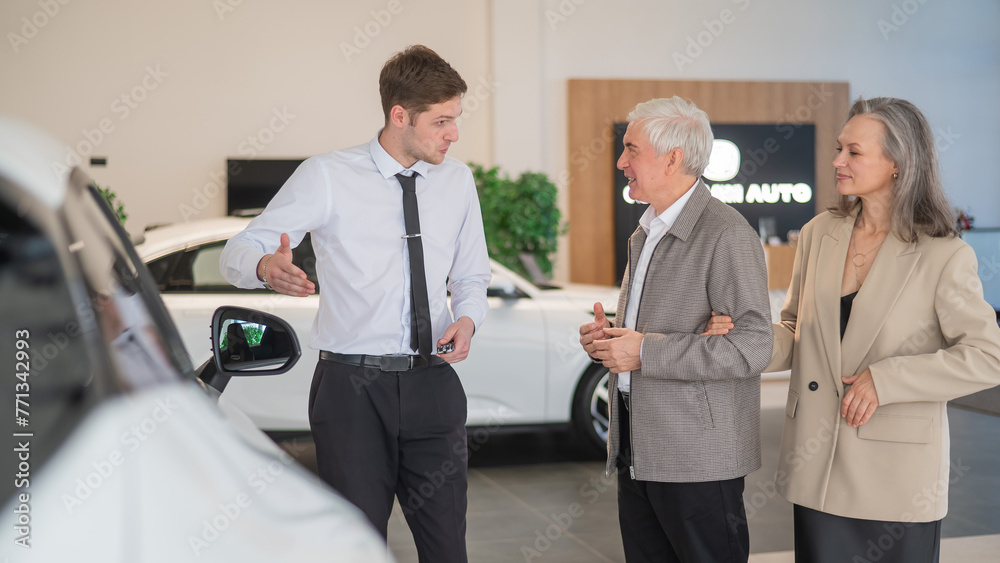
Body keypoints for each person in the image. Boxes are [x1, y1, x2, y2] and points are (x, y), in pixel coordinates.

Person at [219, 45, 490, 563]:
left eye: (456, 119)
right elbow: (241, 248)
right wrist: (263, 268)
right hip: (351, 392)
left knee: (447, 548)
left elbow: (473, 273)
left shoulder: (458, 181)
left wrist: (469, 317)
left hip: (432, 383)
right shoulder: (326, 175)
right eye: (442, 121)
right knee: (356, 548)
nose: (453, 134)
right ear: (399, 115)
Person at [705, 97, 1000, 562]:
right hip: (818, 463)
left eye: (854, 152)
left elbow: (988, 356)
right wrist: (745, 338)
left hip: (897, 475)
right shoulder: (821, 232)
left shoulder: (943, 253)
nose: (838, 160)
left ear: (899, 163)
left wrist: (887, 379)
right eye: (840, 148)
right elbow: (792, 330)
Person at [579, 96, 773, 563]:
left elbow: (753, 346)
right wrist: (608, 342)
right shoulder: (646, 231)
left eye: (631, 149)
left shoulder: (727, 234)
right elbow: (646, 338)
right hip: (640, 449)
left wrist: (645, 351)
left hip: (699, 459)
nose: (621, 162)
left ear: (673, 158)